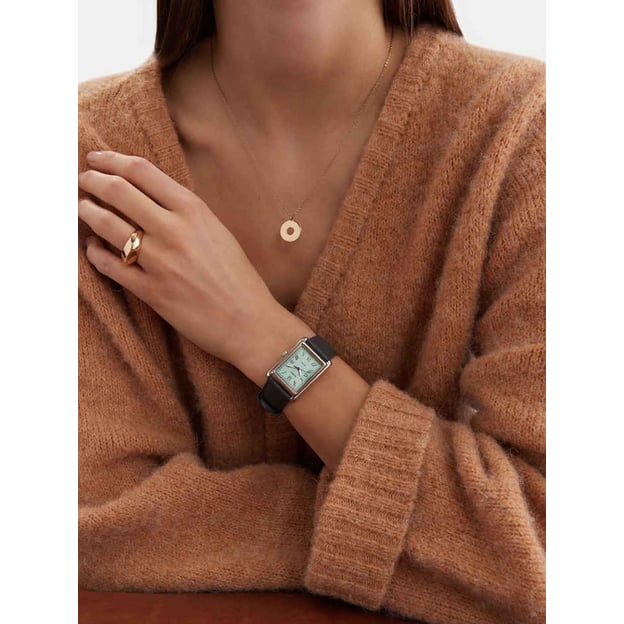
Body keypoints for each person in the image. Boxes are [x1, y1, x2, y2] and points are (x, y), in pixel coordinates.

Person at [78, 1, 546, 622]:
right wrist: (455, 541)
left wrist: (259, 332)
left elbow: (548, 548)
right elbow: (89, 521)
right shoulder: (84, 159)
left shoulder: (532, 136)